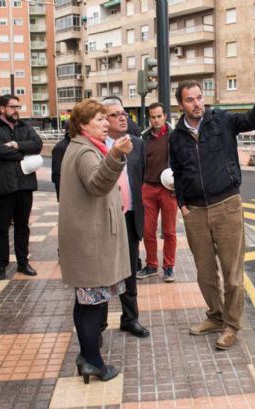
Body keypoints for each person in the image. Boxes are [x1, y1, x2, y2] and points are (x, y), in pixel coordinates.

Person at [169, 75, 255, 350]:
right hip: (195, 211)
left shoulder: (221, 120)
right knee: (205, 273)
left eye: (199, 97)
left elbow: (252, 120)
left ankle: (232, 326)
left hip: (227, 205)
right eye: (190, 99)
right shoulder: (176, 137)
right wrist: (182, 204)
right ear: (180, 104)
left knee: (233, 273)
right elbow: (176, 170)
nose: (197, 103)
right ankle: (215, 316)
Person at [59, 99, 130, 383]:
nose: (105, 123)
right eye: (99, 119)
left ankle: (87, 355)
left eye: (105, 118)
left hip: (94, 239)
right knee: (90, 304)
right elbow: (97, 184)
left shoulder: (87, 147)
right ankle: (92, 361)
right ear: (83, 125)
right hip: (91, 242)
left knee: (92, 302)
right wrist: (115, 157)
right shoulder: (85, 151)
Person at [102, 97, 150, 339]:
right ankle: (98, 324)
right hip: (104, 221)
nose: (122, 117)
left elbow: (139, 177)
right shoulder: (97, 146)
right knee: (102, 273)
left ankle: (130, 319)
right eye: (114, 114)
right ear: (103, 120)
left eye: (123, 113)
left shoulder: (137, 144)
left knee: (130, 272)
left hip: (130, 217)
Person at [0, 95, 43, 280]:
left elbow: (37, 145)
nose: (17, 110)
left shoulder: (24, 126)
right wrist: (22, 154)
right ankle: (1, 265)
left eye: (18, 106)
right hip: (2, 187)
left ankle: (23, 263)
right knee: (1, 228)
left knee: (22, 227)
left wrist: (16, 145)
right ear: (2, 108)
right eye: (12, 107)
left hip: (24, 185)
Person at [138, 102, 178, 283]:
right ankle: (151, 265)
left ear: (165, 116)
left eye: (159, 116)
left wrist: (180, 184)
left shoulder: (175, 137)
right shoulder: (143, 138)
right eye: (153, 117)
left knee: (169, 231)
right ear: (149, 118)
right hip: (148, 188)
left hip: (169, 190)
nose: (156, 120)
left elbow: (184, 161)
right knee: (148, 231)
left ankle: (168, 267)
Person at [51, 121, 71, 201]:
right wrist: (61, 195)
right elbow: (57, 174)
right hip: (66, 192)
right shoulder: (60, 147)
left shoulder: (80, 145)